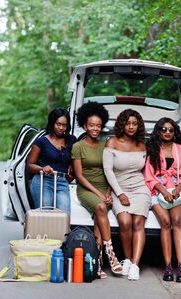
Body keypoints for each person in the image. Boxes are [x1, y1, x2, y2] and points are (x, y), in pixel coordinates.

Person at [71, 102, 123, 278]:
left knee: (98, 223)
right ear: (85, 125)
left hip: (105, 188)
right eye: (91, 125)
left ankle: (97, 263)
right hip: (86, 189)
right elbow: (80, 176)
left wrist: (108, 192)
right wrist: (100, 195)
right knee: (100, 208)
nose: (95, 128)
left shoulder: (105, 145)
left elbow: (110, 171)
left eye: (98, 126)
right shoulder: (78, 146)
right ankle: (111, 254)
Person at [103, 109, 151, 281]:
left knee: (138, 222)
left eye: (134, 124)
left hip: (140, 188)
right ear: (122, 124)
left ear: (138, 126)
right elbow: (108, 170)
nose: (131, 127)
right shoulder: (112, 142)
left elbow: (147, 171)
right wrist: (119, 193)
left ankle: (135, 265)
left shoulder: (142, 145)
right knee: (124, 222)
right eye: (128, 123)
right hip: (119, 187)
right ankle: (128, 259)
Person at [144, 118, 181, 283]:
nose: (167, 132)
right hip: (157, 191)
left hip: (177, 191)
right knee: (165, 221)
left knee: (176, 220)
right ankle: (168, 266)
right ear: (158, 131)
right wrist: (164, 192)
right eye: (164, 129)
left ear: (174, 132)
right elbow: (149, 176)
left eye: (171, 130)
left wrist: (176, 192)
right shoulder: (152, 149)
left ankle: (180, 266)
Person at [27, 108, 76, 213]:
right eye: (58, 124)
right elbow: (30, 165)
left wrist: (71, 164)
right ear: (52, 123)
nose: (61, 128)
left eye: (64, 125)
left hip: (63, 182)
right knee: (46, 216)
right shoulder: (41, 142)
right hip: (43, 181)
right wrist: (42, 168)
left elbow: (76, 156)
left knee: (64, 216)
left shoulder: (71, 140)